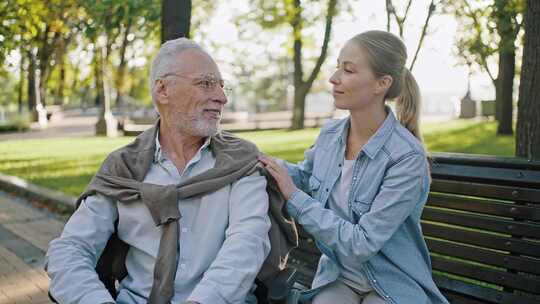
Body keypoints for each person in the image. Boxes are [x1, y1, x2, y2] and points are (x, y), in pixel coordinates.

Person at [46, 38, 282, 304]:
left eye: (221, 85)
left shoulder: (240, 161)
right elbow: (70, 249)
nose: (221, 97)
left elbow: (247, 243)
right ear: (163, 90)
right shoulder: (123, 167)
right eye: (206, 83)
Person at [259, 31, 449, 304]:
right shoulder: (331, 134)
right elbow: (306, 178)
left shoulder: (406, 157)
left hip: (392, 281)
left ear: (381, 84)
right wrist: (262, 161)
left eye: (347, 70)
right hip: (338, 275)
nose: (334, 78)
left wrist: (295, 198)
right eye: (338, 66)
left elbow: (361, 244)